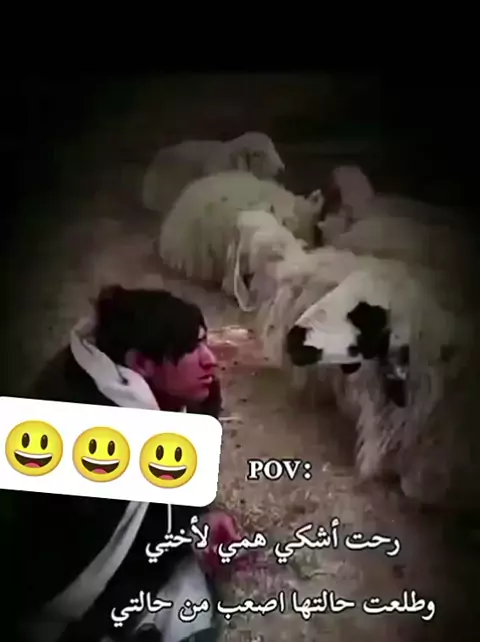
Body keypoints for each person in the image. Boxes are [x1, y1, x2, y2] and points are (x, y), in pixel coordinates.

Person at [2, 285, 239, 642]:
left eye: (204, 342)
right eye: (191, 349)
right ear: (141, 364)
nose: (211, 360)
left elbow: (174, 487)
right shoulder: (71, 426)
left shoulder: (197, 395)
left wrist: (201, 518)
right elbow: (43, 561)